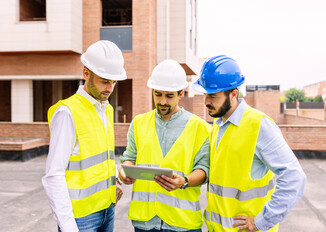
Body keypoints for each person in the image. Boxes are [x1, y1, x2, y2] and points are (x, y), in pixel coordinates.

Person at [192, 55, 306, 232]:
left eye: (213, 96)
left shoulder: (259, 125)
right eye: (205, 95)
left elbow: (294, 177)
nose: (206, 101)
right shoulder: (218, 126)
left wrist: (262, 221)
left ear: (234, 94)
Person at [42, 40, 127, 232]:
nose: (110, 88)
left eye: (113, 82)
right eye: (105, 81)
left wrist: (112, 182)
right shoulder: (67, 112)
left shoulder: (106, 109)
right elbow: (54, 174)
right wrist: (68, 226)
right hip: (81, 219)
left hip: (108, 208)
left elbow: (103, 157)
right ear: (86, 73)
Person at [119, 59, 211, 232]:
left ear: (181, 94)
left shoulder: (199, 127)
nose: (162, 101)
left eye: (169, 96)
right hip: (145, 222)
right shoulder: (139, 123)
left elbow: (204, 170)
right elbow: (129, 158)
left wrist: (184, 181)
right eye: (157, 94)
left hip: (182, 223)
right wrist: (125, 172)